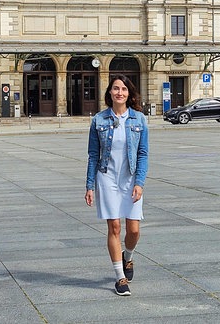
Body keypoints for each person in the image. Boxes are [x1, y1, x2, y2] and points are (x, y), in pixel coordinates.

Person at [85, 74, 149, 296]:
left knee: (133, 229)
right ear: (109, 93)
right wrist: (89, 185)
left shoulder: (139, 120)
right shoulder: (99, 120)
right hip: (107, 177)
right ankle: (119, 277)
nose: (119, 92)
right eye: (115, 89)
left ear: (129, 93)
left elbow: (143, 154)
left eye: (123, 89)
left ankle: (128, 257)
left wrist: (140, 183)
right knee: (114, 227)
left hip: (131, 178)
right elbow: (93, 155)